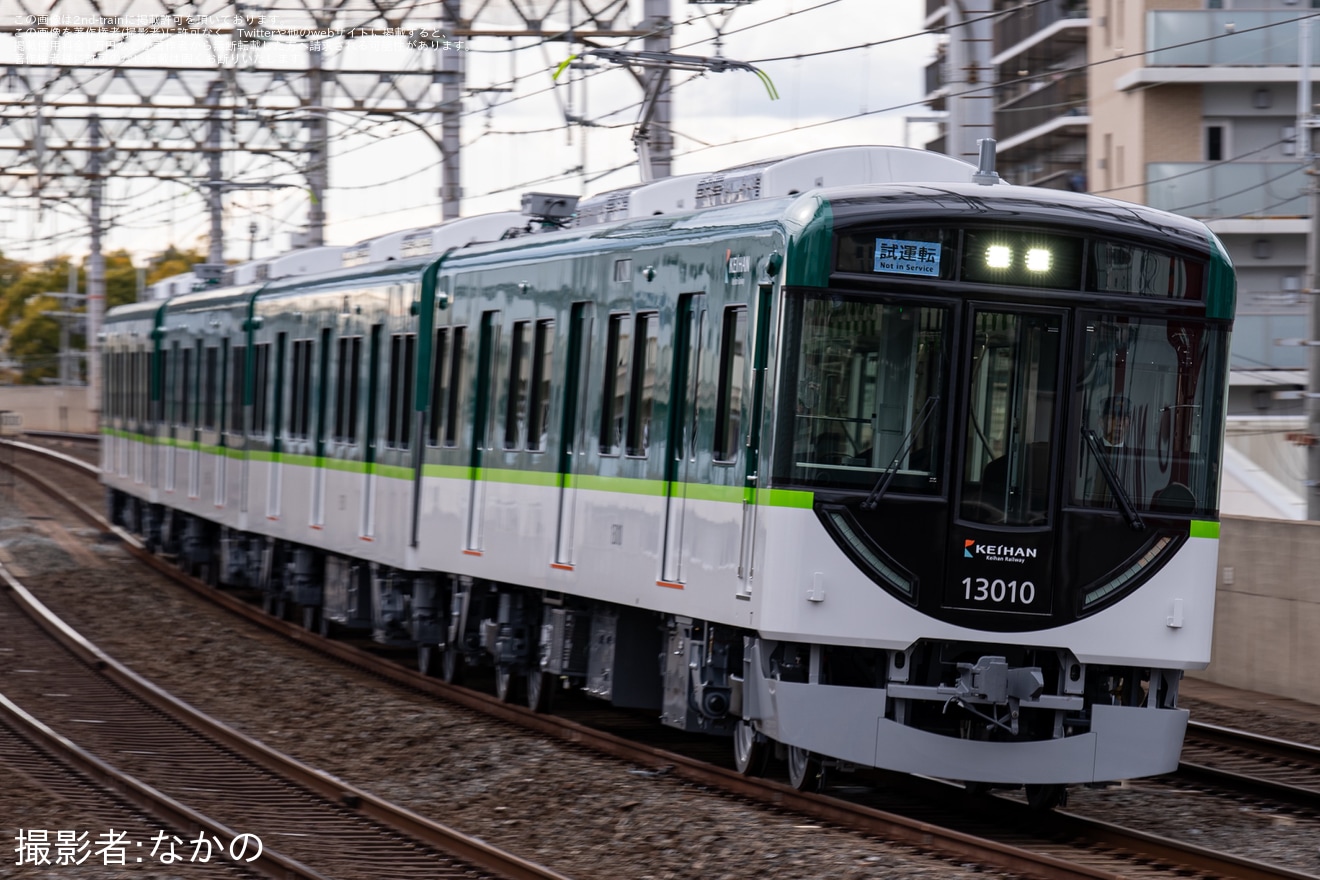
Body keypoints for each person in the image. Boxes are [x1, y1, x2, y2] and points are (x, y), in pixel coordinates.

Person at [1085, 395, 1146, 507]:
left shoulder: (1136, 459)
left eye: (1124, 418)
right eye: (1113, 417)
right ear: (1101, 422)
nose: (1119, 423)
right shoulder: (1089, 452)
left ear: (1129, 423)